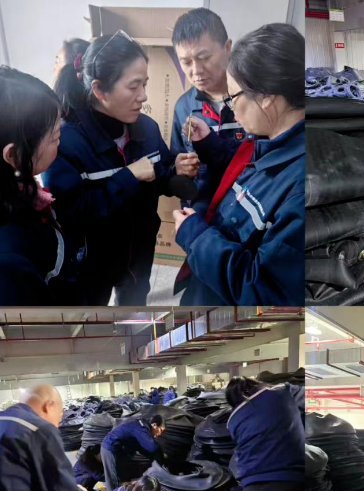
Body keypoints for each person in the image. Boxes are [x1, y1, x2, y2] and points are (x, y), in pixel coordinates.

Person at [44, 32, 195, 305]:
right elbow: (72, 214)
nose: (143, 96)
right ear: (99, 89)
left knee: (133, 313)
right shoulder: (66, 143)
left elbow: (159, 174)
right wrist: (128, 176)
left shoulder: (146, 128)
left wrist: (176, 171)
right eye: (134, 86)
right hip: (93, 263)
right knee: (94, 317)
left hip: (139, 255)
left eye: (145, 84)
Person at [173, 23, 304, 306]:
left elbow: (264, 290)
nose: (231, 109)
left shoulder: (299, 189)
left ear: (267, 97)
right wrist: (207, 144)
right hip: (207, 282)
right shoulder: (265, 140)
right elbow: (238, 160)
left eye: (233, 98)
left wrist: (196, 237)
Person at [0, 67, 83, 305]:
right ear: (14, 155)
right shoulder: (8, 264)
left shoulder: (18, 188)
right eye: (55, 137)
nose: (61, 143)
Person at [170, 7, 246, 213]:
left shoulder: (251, 99)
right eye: (186, 62)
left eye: (204, 57)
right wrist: (179, 168)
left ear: (227, 47)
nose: (196, 71)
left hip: (243, 216)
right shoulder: (184, 107)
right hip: (201, 215)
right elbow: (174, 164)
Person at [101, 414, 165, 491]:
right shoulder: (141, 428)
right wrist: (161, 456)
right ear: (154, 425)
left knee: (120, 477)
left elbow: (142, 448)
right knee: (112, 480)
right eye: (161, 430)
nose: (160, 434)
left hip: (117, 450)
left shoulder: (141, 427)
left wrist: (159, 461)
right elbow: (152, 447)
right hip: (110, 448)